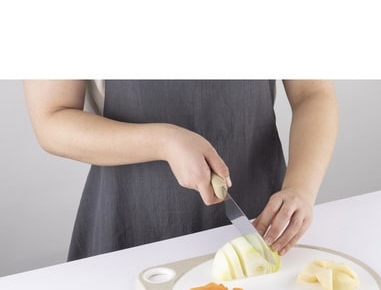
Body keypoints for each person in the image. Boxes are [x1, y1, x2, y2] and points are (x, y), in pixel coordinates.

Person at [24, 80, 338, 260]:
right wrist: (162, 141)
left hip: (262, 222)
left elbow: (312, 92)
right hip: (133, 227)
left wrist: (301, 188)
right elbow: (52, 121)